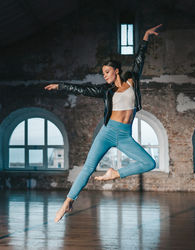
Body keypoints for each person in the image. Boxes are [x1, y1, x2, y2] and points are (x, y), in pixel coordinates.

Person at [45, 24, 162, 222]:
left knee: (149, 163)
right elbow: (82, 89)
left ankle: (115, 173)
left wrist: (144, 38)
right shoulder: (106, 91)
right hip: (107, 133)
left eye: (107, 72)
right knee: (88, 168)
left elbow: (139, 60)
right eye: (103, 73)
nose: (104, 75)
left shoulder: (132, 81)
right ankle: (68, 202)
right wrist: (60, 86)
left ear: (116, 71)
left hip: (125, 135)